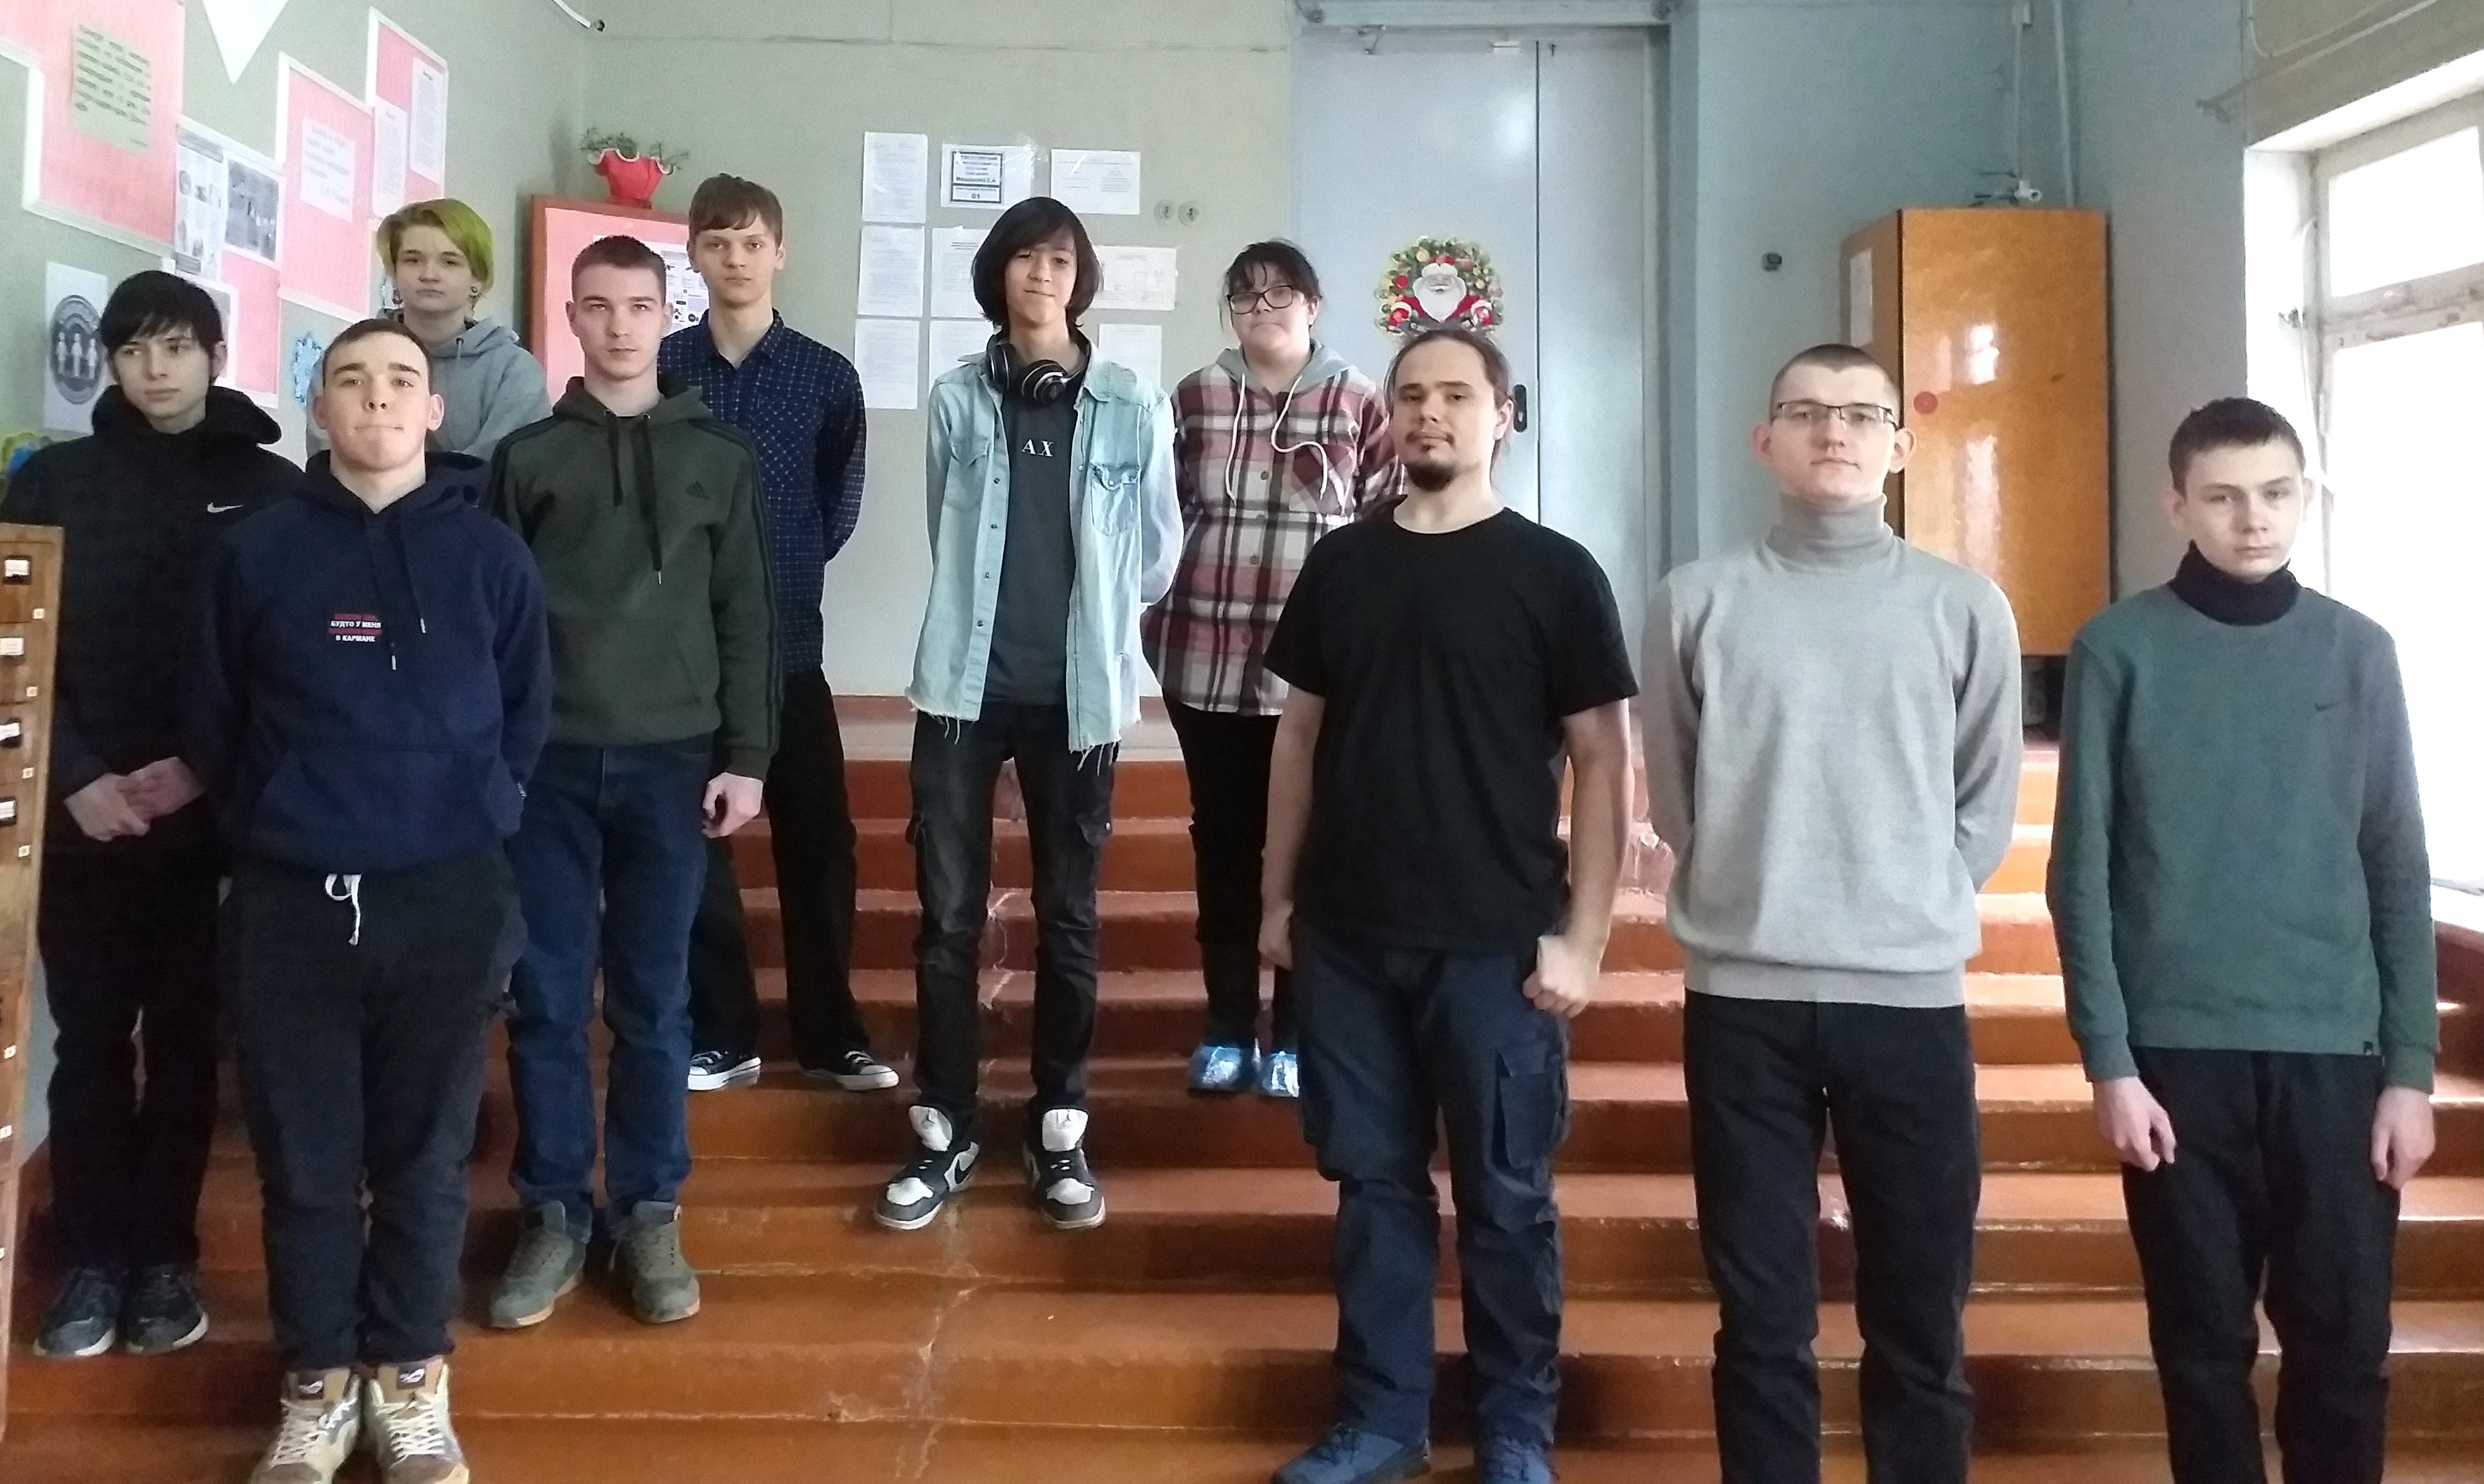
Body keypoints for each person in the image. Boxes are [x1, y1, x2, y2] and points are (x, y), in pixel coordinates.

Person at [1640, 344, 2022, 1484]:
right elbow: (1677, 791)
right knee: (1761, 1315)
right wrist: (1751, 883)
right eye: (1806, 412)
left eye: (1861, 415)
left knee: (1918, 1311)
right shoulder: (1696, 599)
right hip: (1744, 1001)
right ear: (1766, 441)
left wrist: (1905, 897)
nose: (1833, 432)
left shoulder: (1965, 606)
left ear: (1900, 445)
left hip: (1908, 1002)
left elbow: (1984, 803)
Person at [1257, 325, 1633, 1484]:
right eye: (1412, 393)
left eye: (1458, 395)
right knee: (1373, 1189)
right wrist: (1276, 900)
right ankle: (1384, 1419)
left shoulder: (1556, 572)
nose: (1431, 411)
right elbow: (1299, 740)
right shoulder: (1342, 566)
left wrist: (1585, 936)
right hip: (1349, 938)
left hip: (1496, 948)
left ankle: (1515, 1430)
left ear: (1501, 417)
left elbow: (1604, 761)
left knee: (1507, 1198)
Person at [189, 316, 550, 1484]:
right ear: (321, 408)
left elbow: (526, 712)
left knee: (425, 1157)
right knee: (303, 1161)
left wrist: (475, 805)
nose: (378, 399)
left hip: (444, 895)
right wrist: (281, 814)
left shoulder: (491, 555)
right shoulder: (255, 552)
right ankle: (316, 1386)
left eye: (401, 380)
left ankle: (408, 1379)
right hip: (291, 901)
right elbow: (213, 715)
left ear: (434, 411)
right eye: (352, 380)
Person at [2050, 397, 2435, 1484]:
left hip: (2337, 1055)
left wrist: (2410, 1072)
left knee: (2343, 1348)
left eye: (2274, 493)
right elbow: (2081, 870)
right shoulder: (2119, 648)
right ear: (2177, 504)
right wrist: (2110, 1062)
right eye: (2222, 496)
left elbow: (2396, 865)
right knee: (2201, 1348)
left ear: (2305, 498)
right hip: (2179, 1058)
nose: (2252, 518)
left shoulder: (2359, 651)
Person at [484, 235, 778, 1331]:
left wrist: (747, 756)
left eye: (638, 307)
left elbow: (746, 612)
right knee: (549, 998)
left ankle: (649, 1209)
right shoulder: (526, 459)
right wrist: (492, 761)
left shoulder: (720, 457)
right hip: (547, 766)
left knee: (656, 1002)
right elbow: (491, 626)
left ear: (667, 315)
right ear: (571, 316)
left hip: (674, 762)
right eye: (598, 306)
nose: (618, 326)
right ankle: (556, 1210)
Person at [3, 271, 293, 1361]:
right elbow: (16, 634)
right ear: (112, 362)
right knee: (87, 1042)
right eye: (133, 349)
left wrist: (200, 769)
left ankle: (166, 1256)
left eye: (176, 346)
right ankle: (90, 1256)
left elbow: (279, 661)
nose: (155, 368)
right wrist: (75, 775)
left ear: (215, 354)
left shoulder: (269, 489)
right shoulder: (52, 481)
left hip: (207, 818)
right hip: (81, 816)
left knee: (182, 1042)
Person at [877, 196, 1178, 1234]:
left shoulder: (1132, 403)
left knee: (1070, 917)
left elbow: (1156, 551)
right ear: (998, 276)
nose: (1041, 275)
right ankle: (946, 1124)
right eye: (1023, 259)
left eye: (1059, 260)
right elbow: (945, 528)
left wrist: (1095, 616)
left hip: (1081, 700)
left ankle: (1059, 1123)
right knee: (947, 921)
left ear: (1080, 278)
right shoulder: (958, 399)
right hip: (963, 693)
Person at [1143, 240, 1397, 1101]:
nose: (1262, 310)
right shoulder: (1194, 397)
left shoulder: (1358, 399)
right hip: (1203, 656)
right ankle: (1226, 1025)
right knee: (1224, 837)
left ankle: (1294, 1030)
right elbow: (1157, 516)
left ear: (1312, 306)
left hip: (1316, 678)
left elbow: (1386, 524)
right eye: (1245, 298)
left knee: (1310, 843)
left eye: (1280, 295)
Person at [661, 174, 892, 1095]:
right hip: (685, 651)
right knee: (695, 842)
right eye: (718, 243)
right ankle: (722, 1033)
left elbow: (837, 502)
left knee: (820, 842)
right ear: (694, 254)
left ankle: (831, 1034)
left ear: (781, 252)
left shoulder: (826, 375)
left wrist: (778, 564)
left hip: (791, 643)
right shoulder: (665, 369)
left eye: (753, 243)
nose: (736, 259)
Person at [309, 199, 548, 460]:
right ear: (394, 274)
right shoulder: (342, 360)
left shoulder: (513, 370)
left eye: (450, 262)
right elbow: (328, 458)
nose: (429, 275)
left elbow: (505, 468)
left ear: (477, 279)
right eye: (413, 260)